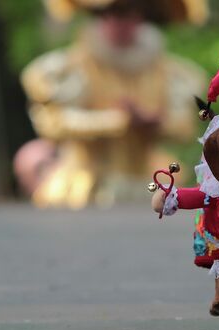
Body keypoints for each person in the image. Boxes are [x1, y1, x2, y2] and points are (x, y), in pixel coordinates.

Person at [18, 0, 207, 209]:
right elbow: (52, 123)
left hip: (149, 185)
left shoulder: (170, 72)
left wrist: (155, 123)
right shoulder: (69, 68)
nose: (123, 22)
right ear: (100, 17)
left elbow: (185, 128)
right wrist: (117, 120)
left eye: (132, 13)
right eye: (115, 13)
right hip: (84, 190)